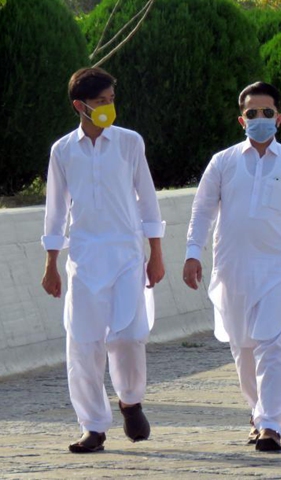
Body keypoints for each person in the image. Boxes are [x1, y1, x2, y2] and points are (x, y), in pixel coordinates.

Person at [183, 81, 281, 452]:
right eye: (253, 113)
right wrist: (192, 252)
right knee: (245, 349)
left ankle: (271, 424)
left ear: (279, 118)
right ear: (242, 119)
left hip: (280, 271)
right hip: (233, 271)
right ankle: (257, 411)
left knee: (276, 346)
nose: (261, 119)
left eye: (267, 113)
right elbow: (202, 209)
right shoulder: (223, 162)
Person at [41, 67, 165, 453]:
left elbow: (147, 198)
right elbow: (56, 209)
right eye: (100, 102)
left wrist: (155, 253)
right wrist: (50, 263)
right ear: (80, 106)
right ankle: (92, 426)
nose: (109, 108)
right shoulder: (63, 150)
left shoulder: (129, 143)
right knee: (83, 344)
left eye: (111, 100)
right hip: (83, 259)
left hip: (128, 256)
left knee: (128, 336)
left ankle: (130, 400)